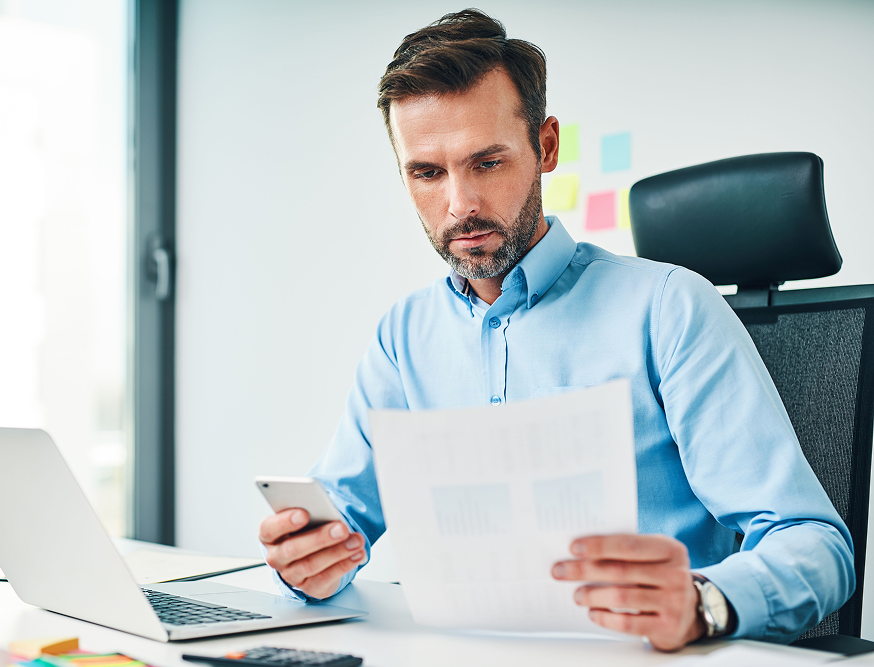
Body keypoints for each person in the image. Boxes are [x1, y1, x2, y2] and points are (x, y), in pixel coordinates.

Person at [257, 9, 853, 651]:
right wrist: (305, 563)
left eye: (486, 162)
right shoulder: (404, 336)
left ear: (545, 147)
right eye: (427, 172)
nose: (459, 205)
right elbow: (335, 526)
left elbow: (817, 546)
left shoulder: (668, 309)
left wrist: (704, 602)